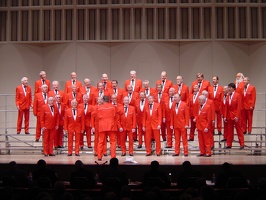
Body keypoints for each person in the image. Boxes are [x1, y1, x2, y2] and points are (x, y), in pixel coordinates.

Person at [96, 96, 119, 160]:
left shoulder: (99, 108)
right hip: (111, 126)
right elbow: (115, 116)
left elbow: (98, 117)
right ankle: (113, 156)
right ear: (109, 100)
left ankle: (99, 156)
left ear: (103, 100)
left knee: (101, 141)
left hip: (102, 126)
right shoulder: (113, 107)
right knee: (113, 142)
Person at [224, 83, 244, 149]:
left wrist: (237, 116)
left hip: (236, 116)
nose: (228, 89)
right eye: (228, 87)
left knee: (239, 130)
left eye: (229, 87)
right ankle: (229, 144)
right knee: (229, 131)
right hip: (229, 116)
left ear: (233, 88)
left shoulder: (238, 95)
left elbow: (239, 107)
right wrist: (225, 116)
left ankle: (242, 144)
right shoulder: (227, 96)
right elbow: (226, 107)